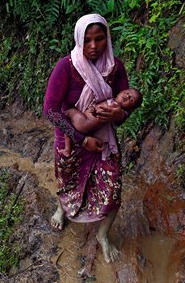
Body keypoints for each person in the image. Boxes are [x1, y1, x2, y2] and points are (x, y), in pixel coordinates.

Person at [43, 14, 131, 264]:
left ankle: (103, 235)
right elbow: (50, 110)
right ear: (79, 40)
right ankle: (62, 209)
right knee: (67, 180)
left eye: (99, 39)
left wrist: (120, 113)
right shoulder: (66, 67)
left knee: (113, 189)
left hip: (104, 141)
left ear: (108, 39)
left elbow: (124, 109)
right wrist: (81, 139)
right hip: (71, 137)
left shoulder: (115, 68)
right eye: (87, 40)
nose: (93, 46)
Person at [60, 88, 142, 157]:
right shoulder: (112, 101)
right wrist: (93, 108)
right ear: (121, 91)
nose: (127, 96)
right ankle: (67, 150)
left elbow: (102, 114)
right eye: (128, 93)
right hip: (87, 126)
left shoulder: (115, 107)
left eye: (131, 100)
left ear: (130, 108)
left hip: (85, 122)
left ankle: (67, 146)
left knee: (69, 112)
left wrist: (95, 112)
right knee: (68, 129)